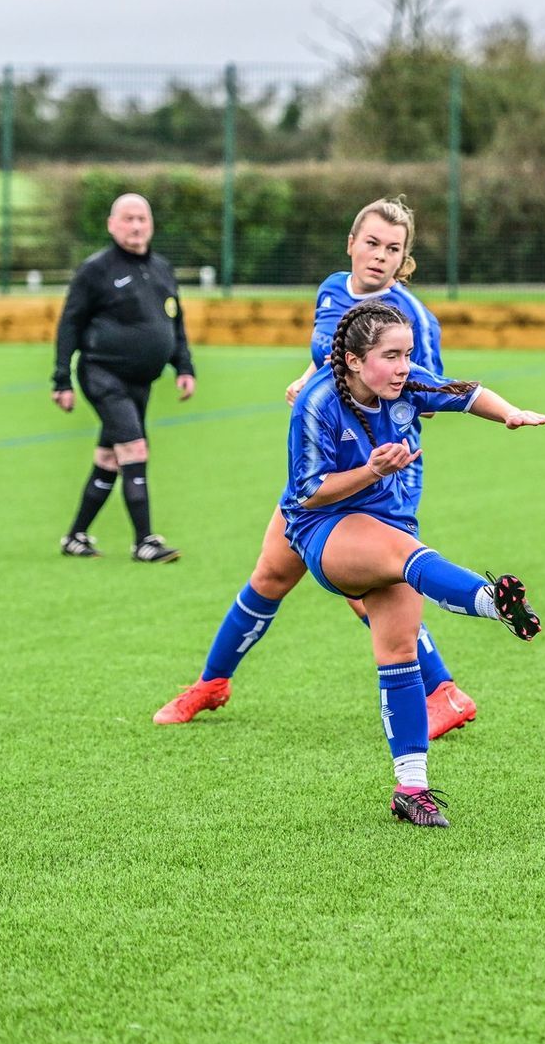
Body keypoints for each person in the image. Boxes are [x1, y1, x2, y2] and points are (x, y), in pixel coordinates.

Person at [179, 300, 545, 828]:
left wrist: (510, 412)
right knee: (397, 558)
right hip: (321, 524)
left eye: (408, 355)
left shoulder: (405, 383)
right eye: (391, 356)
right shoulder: (318, 401)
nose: (404, 367)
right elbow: (309, 493)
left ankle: (411, 788)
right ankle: (492, 602)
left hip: (386, 521)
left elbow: (465, 393)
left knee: (398, 653)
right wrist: (373, 471)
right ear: (354, 360)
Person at [155, 198, 478, 740]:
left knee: (366, 589)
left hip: (380, 473)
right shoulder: (332, 290)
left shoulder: (415, 319)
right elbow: (330, 357)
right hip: (323, 464)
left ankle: (442, 690)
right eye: (372, 243)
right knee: (271, 574)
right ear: (351, 243)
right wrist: (309, 380)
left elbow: (423, 394)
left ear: (404, 259)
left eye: (393, 248)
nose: (380, 256)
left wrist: (372, 430)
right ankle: (211, 684)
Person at [51, 193, 194, 562]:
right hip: (102, 375)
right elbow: (69, 324)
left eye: (142, 219)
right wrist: (61, 379)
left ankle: (75, 537)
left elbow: (174, 321)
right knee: (134, 449)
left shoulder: (161, 268)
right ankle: (144, 542)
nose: (135, 226)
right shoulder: (95, 270)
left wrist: (184, 366)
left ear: (151, 225)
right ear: (111, 224)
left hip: (141, 381)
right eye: (128, 219)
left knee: (109, 458)